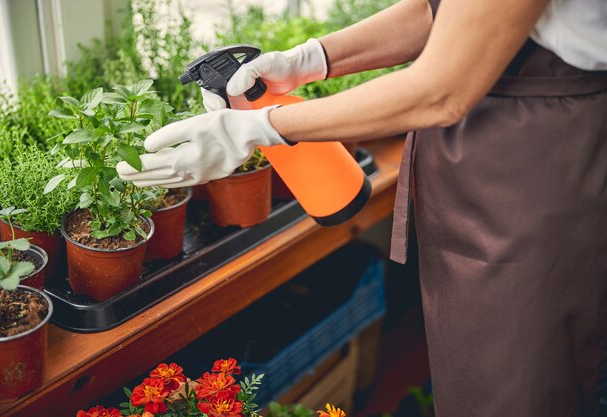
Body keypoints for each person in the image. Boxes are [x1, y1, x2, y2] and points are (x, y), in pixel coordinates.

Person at [117, 0, 607, 415]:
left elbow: (443, 89)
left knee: (525, 383)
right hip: (485, 175)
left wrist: (260, 127)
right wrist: (309, 59)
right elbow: (439, 12)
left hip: (531, 178)